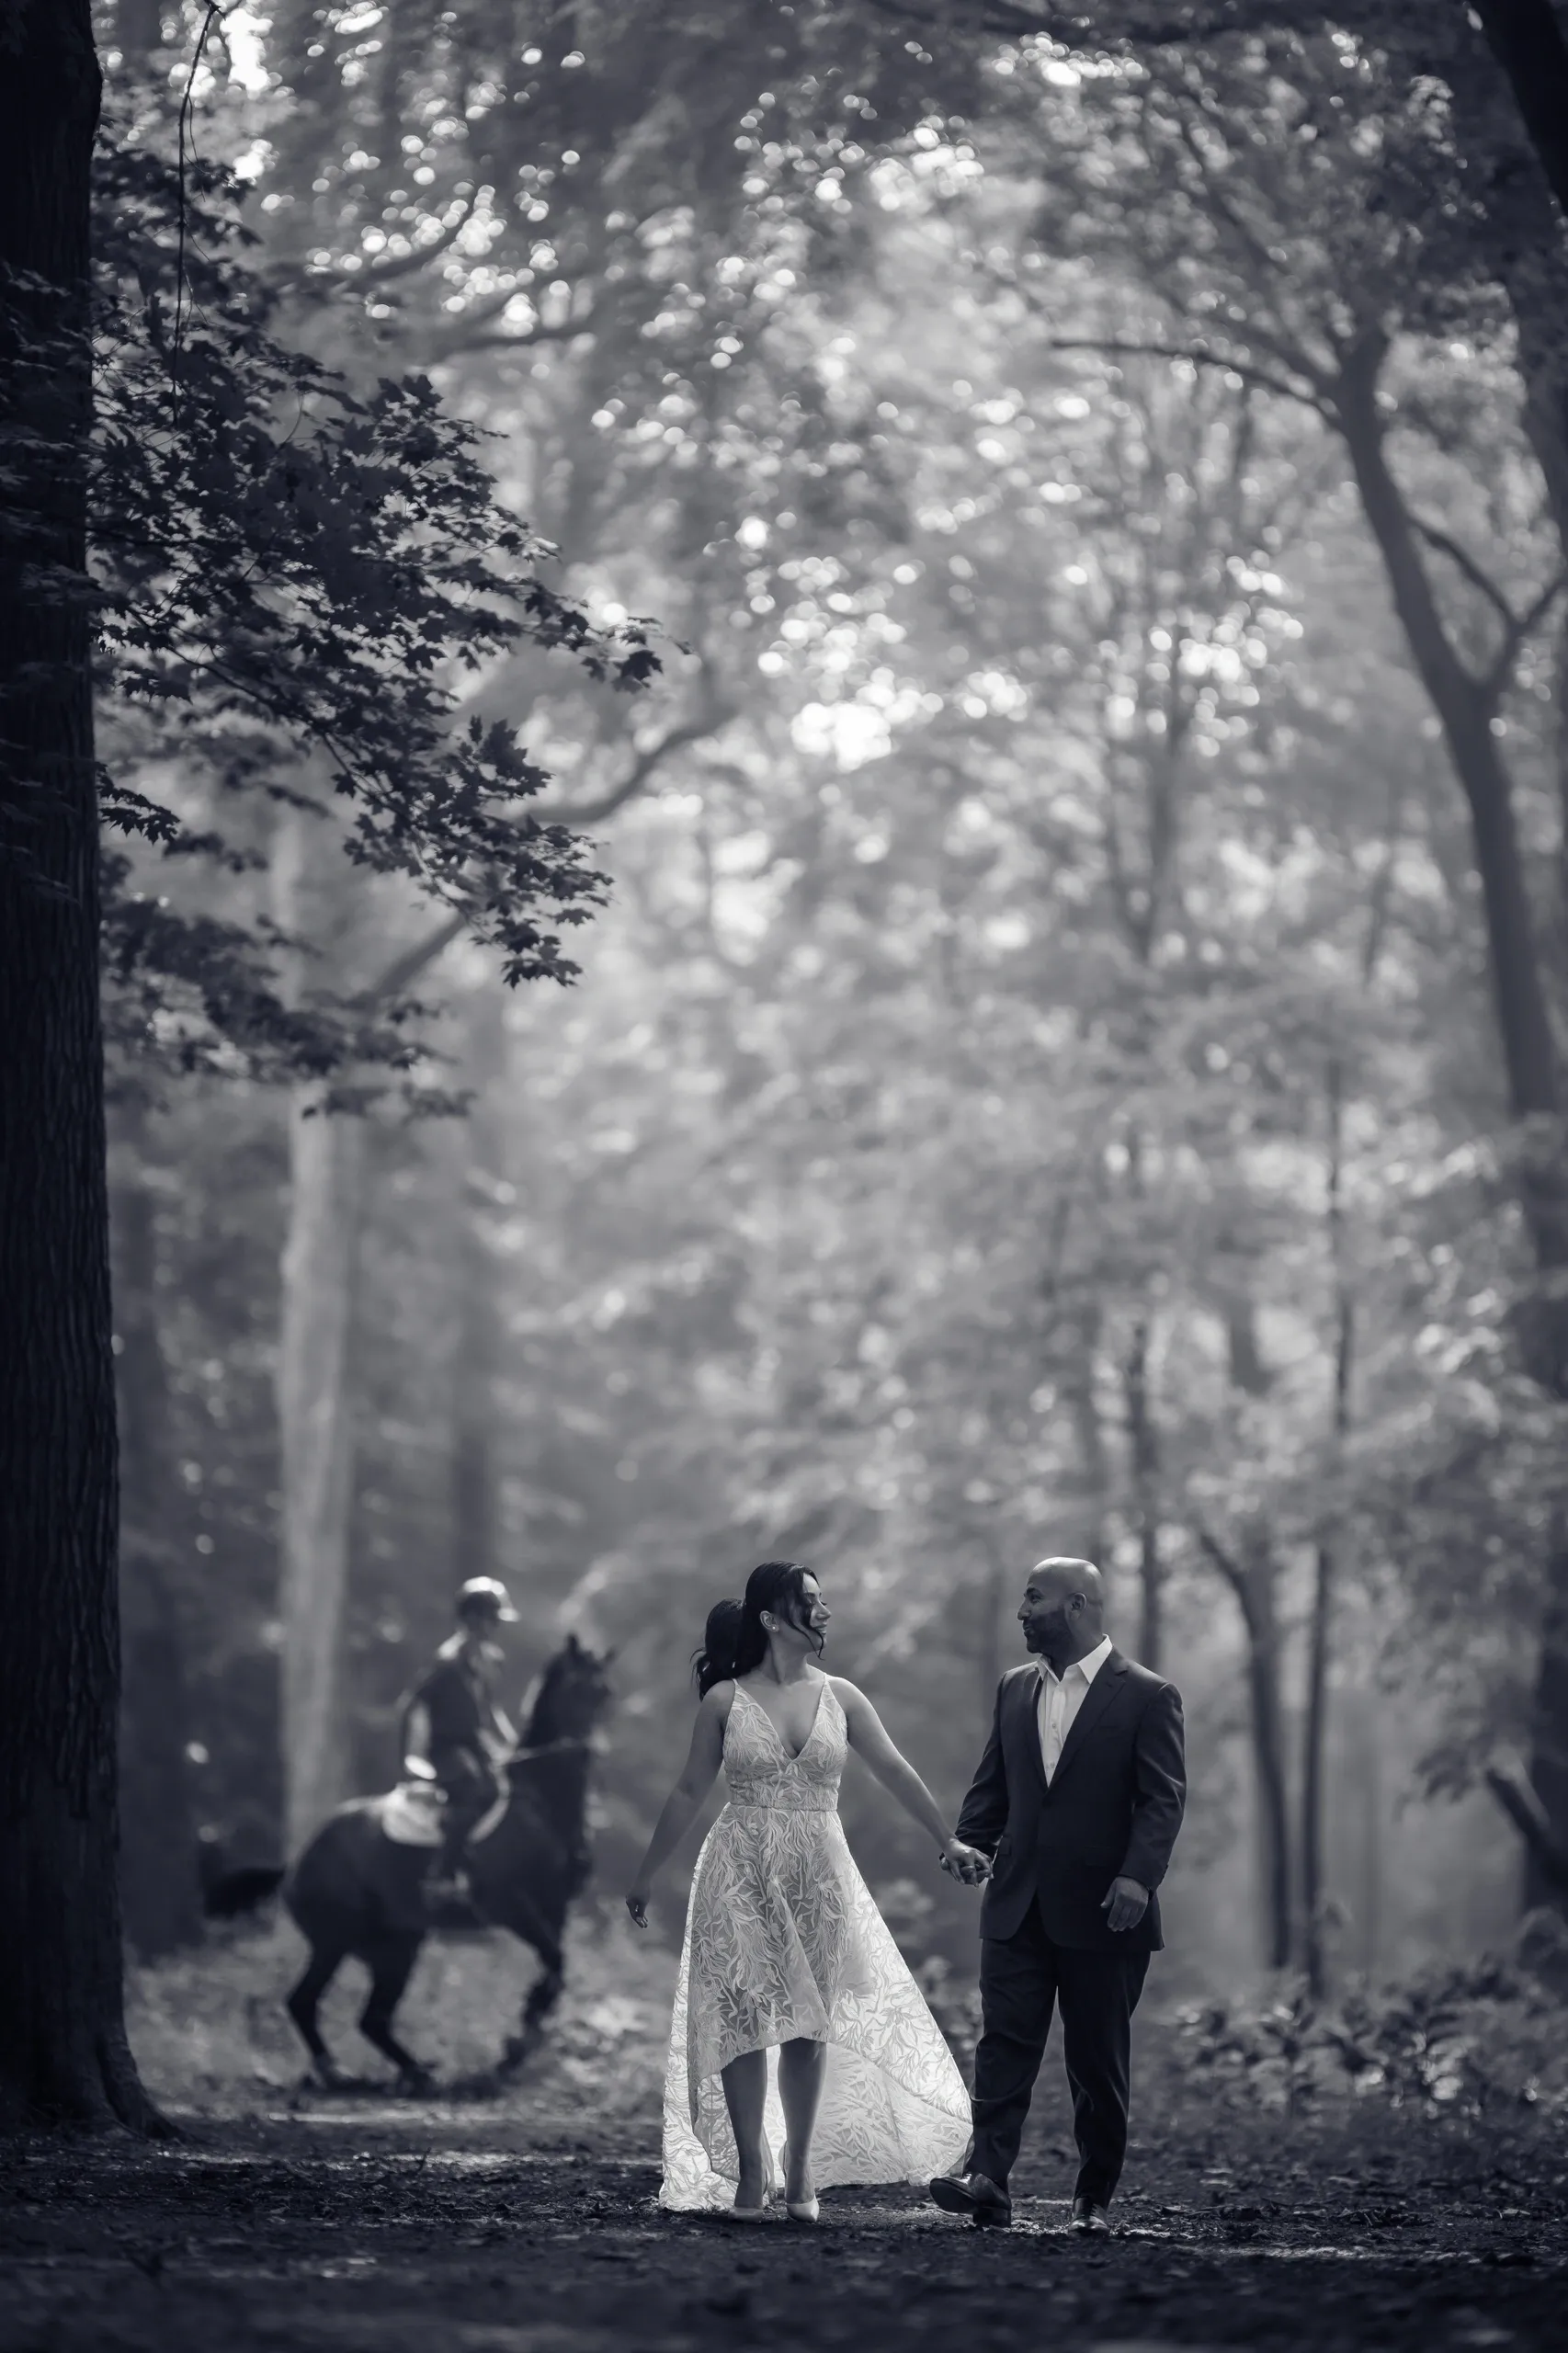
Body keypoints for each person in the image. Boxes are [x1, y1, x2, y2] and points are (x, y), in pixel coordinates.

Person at [626, 1562, 989, 2220]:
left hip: (818, 1872)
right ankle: (748, 2167)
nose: (824, 1613)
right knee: (740, 2019)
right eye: (811, 1603)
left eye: (823, 1602)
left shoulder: (843, 1696)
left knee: (807, 2026)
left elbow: (894, 1769)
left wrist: (950, 1839)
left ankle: (798, 2168)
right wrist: (647, 1874)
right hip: (738, 1867)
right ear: (771, 1618)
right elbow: (688, 1790)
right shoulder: (724, 1702)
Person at [929, 1556, 1186, 2236]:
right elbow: (994, 1786)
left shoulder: (1148, 1696)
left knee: (1096, 2062)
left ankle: (1092, 2199)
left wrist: (1138, 1876)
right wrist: (970, 1842)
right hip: (1016, 1904)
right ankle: (987, 2180)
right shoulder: (1015, 1689)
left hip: (1108, 1911)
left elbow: (1163, 1800)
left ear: (1076, 1606)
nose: (1021, 1611)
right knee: (1003, 2044)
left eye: (1034, 1599)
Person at [401, 1576, 519, 1904]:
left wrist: (514, 1745)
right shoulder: (447, 1663)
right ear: (471, 1619)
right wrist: (413, 1758)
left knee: (507, 1788)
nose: (494, 1627)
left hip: (476, 1746)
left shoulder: (491, 1660)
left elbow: (490, 1708)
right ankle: (441, 1873)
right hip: (447, 1749)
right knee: (474, 1791)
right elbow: (415, 1708)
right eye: (490, 1619)